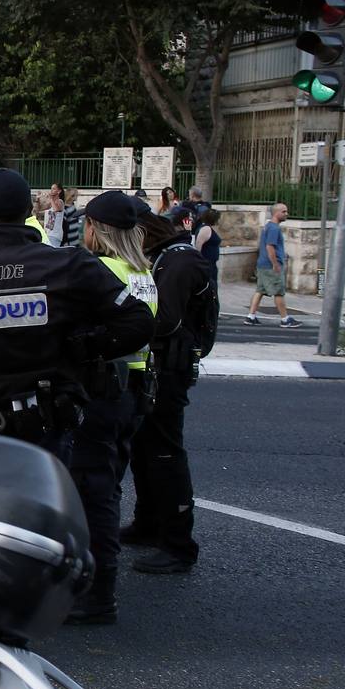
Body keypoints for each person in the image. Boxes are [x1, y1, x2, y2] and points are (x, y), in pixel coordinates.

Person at [0, 169, 155, 462]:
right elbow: (139, 322)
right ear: (29, 212)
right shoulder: (68, 265)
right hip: (43, 430)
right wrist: (78, 349)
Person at [63, 192, 158, 626]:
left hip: (105, 390)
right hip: (135, 389)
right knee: (108, 485)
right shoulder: (142, 271)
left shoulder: (103, 270)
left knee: (93, 491)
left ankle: (97, 594)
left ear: (96, 230)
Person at [120, 208, 219, 577]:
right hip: (159, 368)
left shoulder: (178, 262)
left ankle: (179, 544)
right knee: (144, 449)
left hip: (169, 370)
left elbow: (165, 320)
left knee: (164, 453)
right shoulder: (166, 256)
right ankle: (147, 523)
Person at [245, 203, 302, 327]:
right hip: (270, 266)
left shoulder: (268, 226)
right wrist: (275, 264)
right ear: (276, 213)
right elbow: (270, 247)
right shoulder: (274, 229)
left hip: (263, 264)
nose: (286, 214)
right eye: (284, 211)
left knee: (260, 290)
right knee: (278, 292)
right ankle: (285, 319)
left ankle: (251, 316)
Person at [192, 208, 222, 279]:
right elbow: (198, 246)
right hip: (206, 264)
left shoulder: (207, 228)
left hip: (211, 264)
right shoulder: (206, 229)